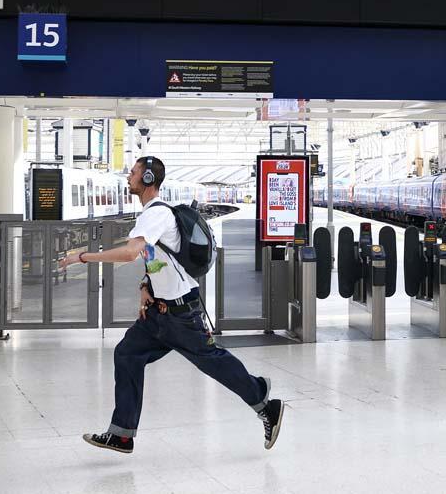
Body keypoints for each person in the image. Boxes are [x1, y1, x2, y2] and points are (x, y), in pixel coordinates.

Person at [59, 156, 284, 453]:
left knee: (212, 362)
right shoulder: (152, 215)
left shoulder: (155, 214)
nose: (129, 177)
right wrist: (145, 285)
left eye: (134, 172)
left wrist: (82, 257)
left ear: (148, 179)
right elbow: (155, 257)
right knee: (127, 354)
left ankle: (264, 402)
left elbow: (131, 254)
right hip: (158, 312)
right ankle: (122, 434)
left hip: (181, 313)